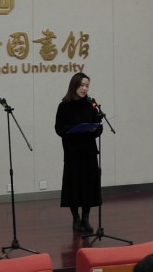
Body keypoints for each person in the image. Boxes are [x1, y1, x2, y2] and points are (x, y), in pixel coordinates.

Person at [54, 72, 103, 232]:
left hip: (89, 151)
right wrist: (76, 129)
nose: (84, 89)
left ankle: (86, 218)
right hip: (73, 152)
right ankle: (75, 218)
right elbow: (59, 128)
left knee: (89, 185)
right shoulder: (64, 106)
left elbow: (98, 128)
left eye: (87, 86)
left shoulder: (91, 104)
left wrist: (95, 127)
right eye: (82, 85)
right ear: (74, 86)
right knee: (74, 185)